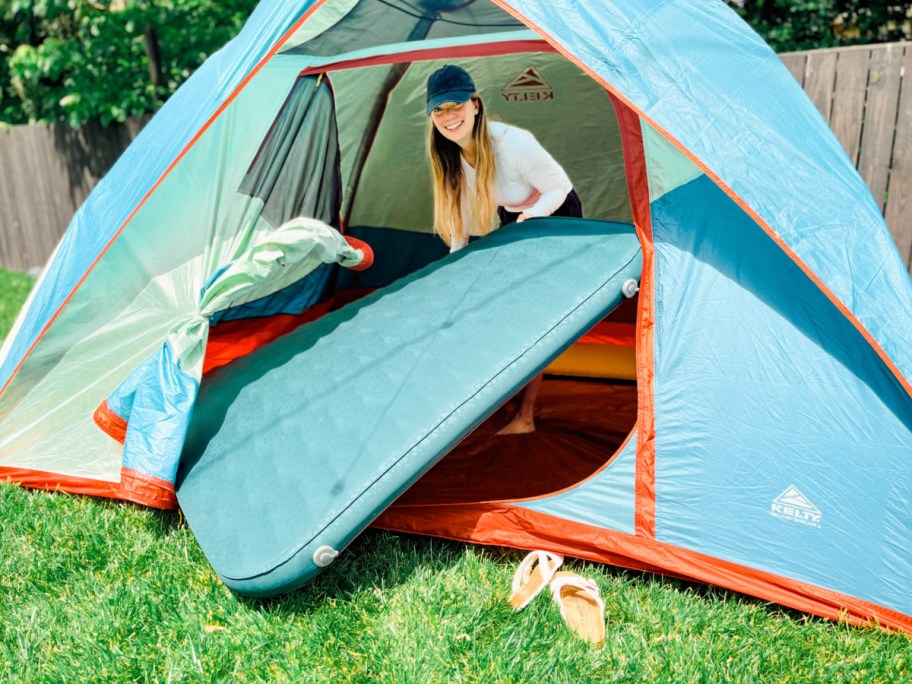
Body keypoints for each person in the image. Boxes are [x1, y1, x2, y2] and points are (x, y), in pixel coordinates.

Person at [425, 64, 583, 435]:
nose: (449, 116)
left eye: (456, 105)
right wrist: (453, 273)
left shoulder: (512, 144)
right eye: (439, 110)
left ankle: (525, 417)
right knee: (502, 305)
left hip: (554, 210)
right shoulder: (450, 156)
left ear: (475, 105)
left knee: (534, 314)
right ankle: (506, 393)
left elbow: (558, 187)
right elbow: (459, 229)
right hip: (516, 214)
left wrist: (533, 216)